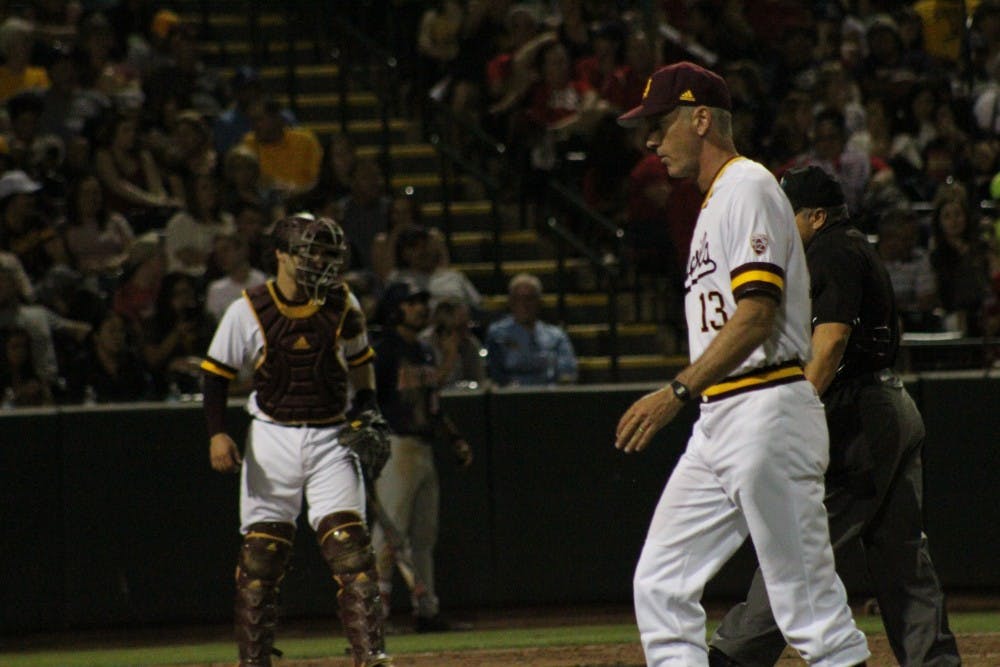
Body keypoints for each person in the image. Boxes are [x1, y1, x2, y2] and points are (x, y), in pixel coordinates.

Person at [613, 62, 869, 667]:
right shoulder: (712, 204)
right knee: (660, 583)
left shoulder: (749, 185)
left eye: (661, 123)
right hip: (720, 419)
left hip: (766, 405)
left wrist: (674, 391)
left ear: (701, 119)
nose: (651, 140)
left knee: (808, 611)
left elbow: (756, 314)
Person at [709, 167, 960, 666]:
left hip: (857, 419)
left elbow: (831, 344)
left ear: (816, 216)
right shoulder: (850, 246)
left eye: (787, 213)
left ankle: (734, 656)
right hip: (889, 407)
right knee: (903, 559)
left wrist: (788, 415)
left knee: (796, 546)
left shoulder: (831, 250)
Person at [200, 214, 394, 667]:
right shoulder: (247, 307)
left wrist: (367, 406)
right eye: (312, 252)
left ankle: (371, 658)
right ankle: (254, 660)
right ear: (282, 255)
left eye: (328, 253)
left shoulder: (342, 301)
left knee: (352, 552)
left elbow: (361, 360)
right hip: (272, 436)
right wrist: (216, 433)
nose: (322, 262)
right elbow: (215, 375)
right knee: (260, 558)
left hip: (331, 434)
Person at [370, 280, 473, 632]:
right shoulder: (383, 350)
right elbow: (366, 399)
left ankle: (426, 611)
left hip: (424, 448)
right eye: (412, 302)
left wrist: (455, 438)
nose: (420, 308)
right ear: (395, 309)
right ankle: (373, 618)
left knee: (423, 538)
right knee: (387, 537)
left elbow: (432, 403)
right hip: (395, 447)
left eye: (421, 302)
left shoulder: (423, 352)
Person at [484, 273, 577, 386]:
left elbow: (567, 371)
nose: (524, 304)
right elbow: (494, 372)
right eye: (518, 299)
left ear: (539, 302)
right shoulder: (497, 334)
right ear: (511, 302)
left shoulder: (556, 336)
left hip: (549, 396)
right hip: (510, 397)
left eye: (529, 299)